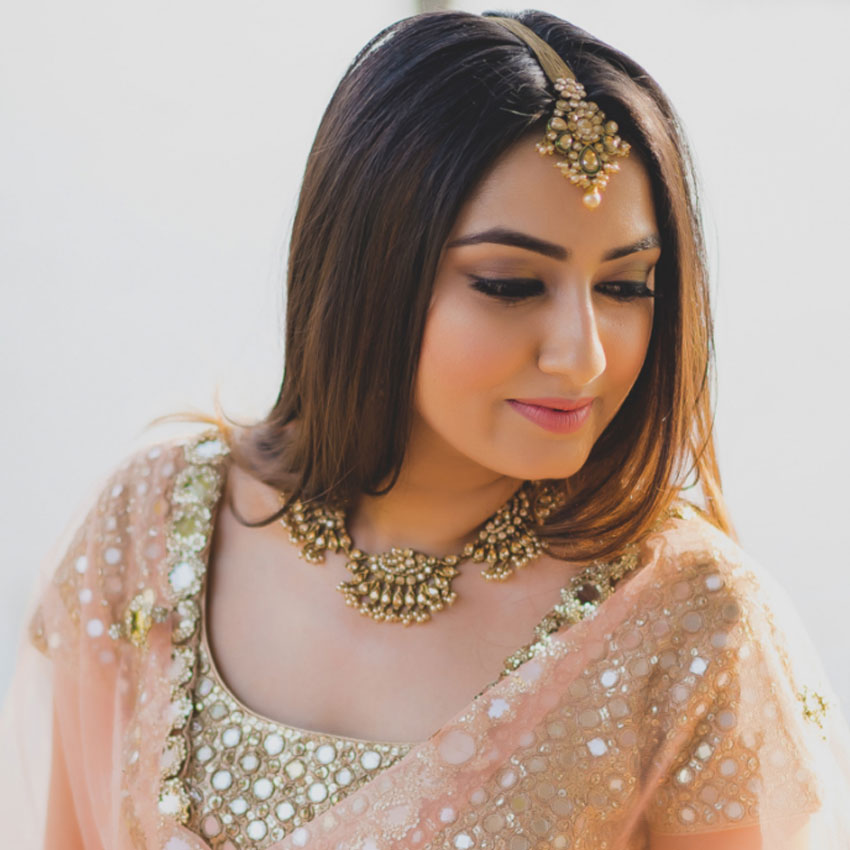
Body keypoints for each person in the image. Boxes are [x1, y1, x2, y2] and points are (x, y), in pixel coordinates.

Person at [2, 8, 849, 850]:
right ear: (372, 269)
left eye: (626, 286)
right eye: (513, 284)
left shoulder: (687, 621)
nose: (584, 356)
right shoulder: (150, 530)